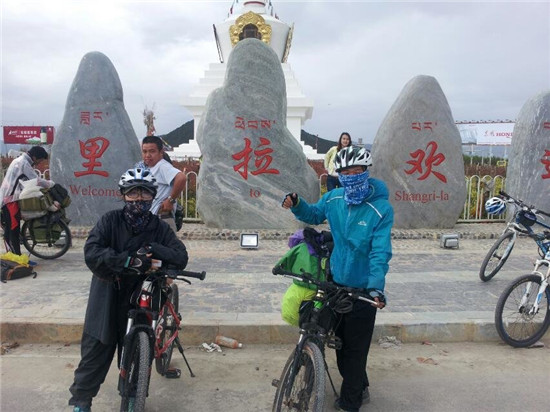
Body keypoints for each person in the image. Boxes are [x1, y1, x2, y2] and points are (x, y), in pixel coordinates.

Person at [282, 146, 393, 412]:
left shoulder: (380, 209)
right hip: (335, 281)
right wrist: (297, 204)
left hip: (363, 289)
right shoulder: (333, 199)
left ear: (366, 172)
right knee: (341, 345)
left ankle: (350, 402)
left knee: (354, 351)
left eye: (356, 171)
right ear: (339, 175)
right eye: (345, 172)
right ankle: (359, 383)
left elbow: (380, 252)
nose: (351, 177)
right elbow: (313, 214)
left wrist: (375, 288)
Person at [68, 167, 189, 412]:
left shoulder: (159, 228)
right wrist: (128, 261)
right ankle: (82, 401)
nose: (139, 199)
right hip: (108, 293)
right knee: (96, 349)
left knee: (138, 353)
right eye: (133, 193)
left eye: (145, 193)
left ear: (153, 195)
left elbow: (180, 256)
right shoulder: (110, 221)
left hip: (142, 294)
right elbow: (92, 252)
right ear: (123, 195)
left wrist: (153, 248)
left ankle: (133, 395)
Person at [0, 146, 54, 255]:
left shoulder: (20, 160)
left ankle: (16, 255)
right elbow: (36, 180)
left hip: (11, 198)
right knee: (13, 228)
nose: (39, 163)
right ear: (34, 157)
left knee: (13, 227)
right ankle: (14, 257)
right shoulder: (23, 163)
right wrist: (50, 184)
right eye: (40, 160)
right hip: (9, 200)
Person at [138, 135, 186, 232]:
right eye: (144, 151)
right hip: (151, 218)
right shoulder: (149, 168)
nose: (147, 155)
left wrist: (170, 200)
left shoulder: (162, 166)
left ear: (161, 152)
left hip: (162, 218)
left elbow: (181, 178)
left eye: (152, 151)